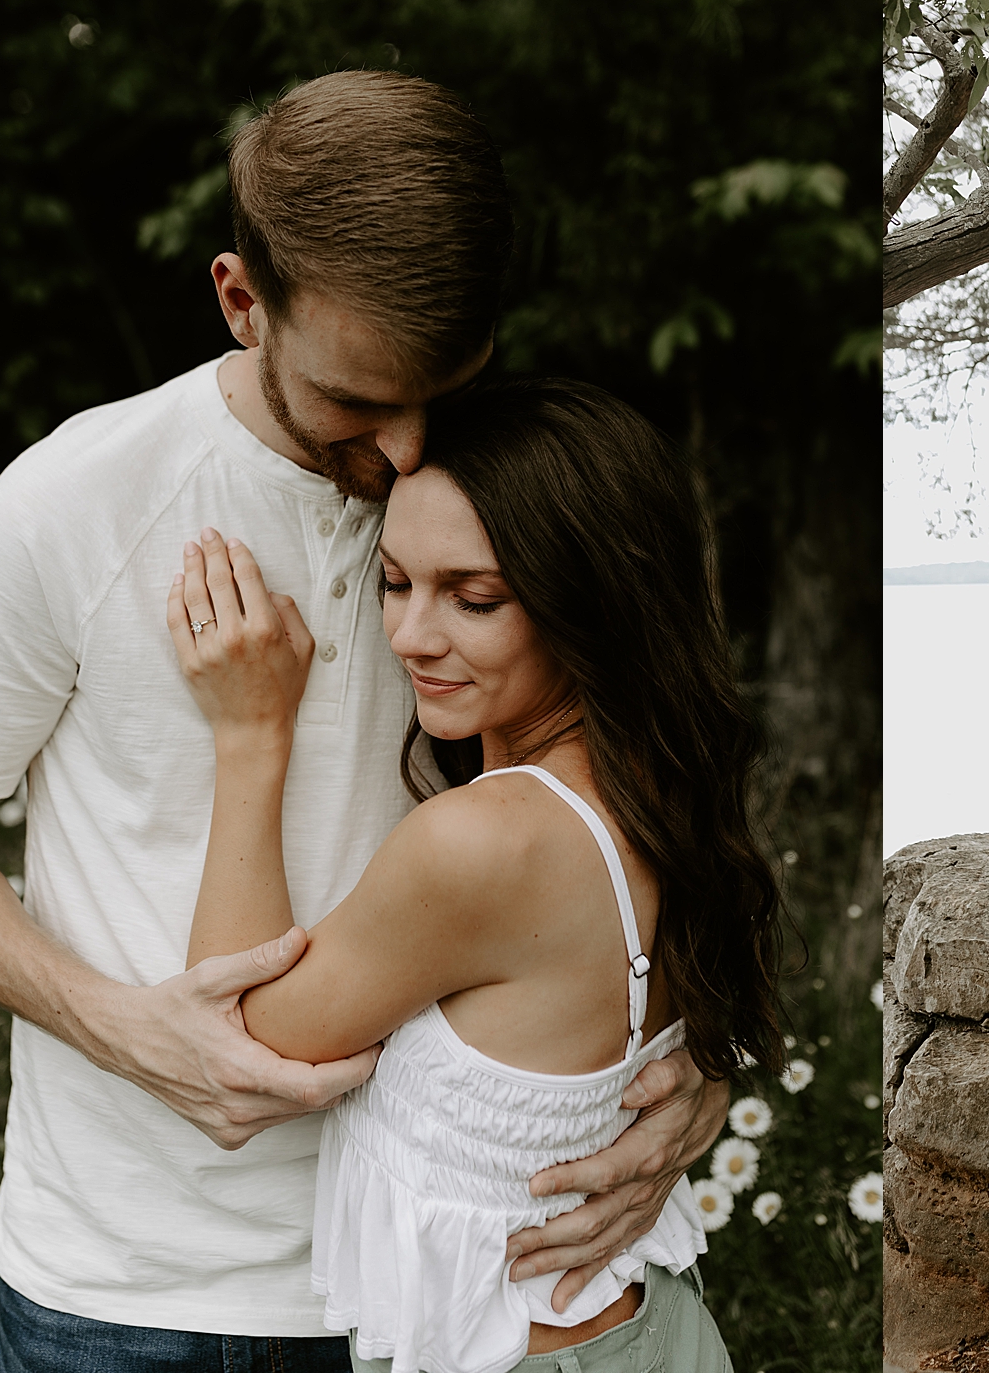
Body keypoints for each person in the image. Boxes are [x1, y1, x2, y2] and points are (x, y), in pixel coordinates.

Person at [0, 72, 726, 1371]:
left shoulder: (503, 497)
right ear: (241, 300)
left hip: (438, 1297)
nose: (398, 452)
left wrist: (693, 1072)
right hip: (124, 1292)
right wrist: (122, 1027)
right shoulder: (66, 507)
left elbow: (650, 797)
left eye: (435, 388)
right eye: (354, 401)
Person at [166, 378, 780, 1373]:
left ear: (593, 601)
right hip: (642, 1333)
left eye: (474, 597)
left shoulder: (483, 842)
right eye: (396, 581)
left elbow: (234, 1038)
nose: (410, 634)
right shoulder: (663, 783)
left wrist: (249, 736)